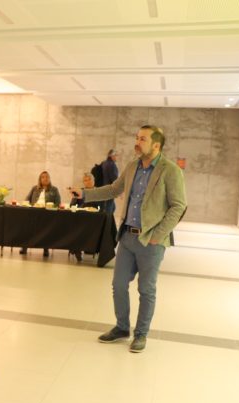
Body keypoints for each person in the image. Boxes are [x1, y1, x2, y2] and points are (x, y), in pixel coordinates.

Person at [70, 125, 187, 353]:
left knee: (146, 290)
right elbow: (114, 189)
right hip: (127, 237)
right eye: (137, 137)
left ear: (156, 145)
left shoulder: (170, 170)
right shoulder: (133, 166)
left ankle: (141, 334)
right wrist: (85, 194)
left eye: (142, 139)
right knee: (119, 285)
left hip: (151, 240)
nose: (137, 142)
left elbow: (178, 206)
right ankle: (122, 327)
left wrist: (157, 236)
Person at [20, 171, 61, 257]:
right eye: (43, 177)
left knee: (46, 228)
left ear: (49, 179)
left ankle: (46, 248)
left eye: (47, 177)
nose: (45, 178)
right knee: (26, 226)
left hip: (47, 215)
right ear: (40, 179)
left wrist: (50, 206)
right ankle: (24, 247)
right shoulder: (34, 188)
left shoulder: (54, 189)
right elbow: (27, 199)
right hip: (34, 213)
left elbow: (58, 203)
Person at [69, 173, 105, 262]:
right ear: (83, 182)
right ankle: (77, 249)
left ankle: (92, 247)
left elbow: (103, 207)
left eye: (89, 179)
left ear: (94, 181)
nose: (88, 182)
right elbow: (72, 205)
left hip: (95, 219)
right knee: (75, 226)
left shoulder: (99, 191)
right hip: (81, 218)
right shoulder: (80, 192)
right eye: (85, 180)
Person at [101, 149, 119, 214]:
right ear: (112, 156)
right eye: (116, 155)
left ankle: (107, 217)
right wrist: (119, 189)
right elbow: (114, 178)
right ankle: (107, 219)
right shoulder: (112, 165)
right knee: (109, 208)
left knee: (112, 207)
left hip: (103, 188)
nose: (117, 157)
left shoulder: (103, 163)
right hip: (110, 189)